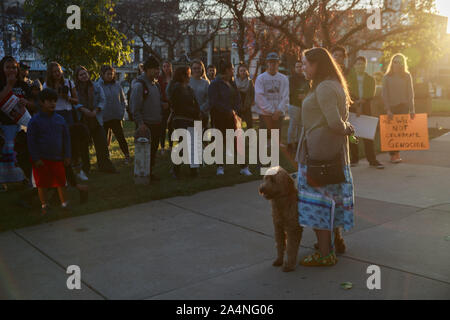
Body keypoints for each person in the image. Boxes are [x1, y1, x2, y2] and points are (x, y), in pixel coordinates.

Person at [296, 47, 355, 266]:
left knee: (318, 206)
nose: (303, 68)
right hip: (329, 155)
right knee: (328, 203)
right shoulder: (332, 85)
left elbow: (334, 123)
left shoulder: (325, 88)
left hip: (319, 158)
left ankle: (324, 254)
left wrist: (348, 128)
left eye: (306, 64)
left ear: (317, 64)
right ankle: (329, 246)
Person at [27, 88, 71, 214]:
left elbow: (66, 139)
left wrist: (67, 155)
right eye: (49, 101)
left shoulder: (60, 120)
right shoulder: (34, 121)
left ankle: (65, 204)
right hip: (42, 160)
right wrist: (36, 158)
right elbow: (31, 141)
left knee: (61, 182)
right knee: (42, 184)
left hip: (58, 158)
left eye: (54, 101)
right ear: (41, 102)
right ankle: (44, 205)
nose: (53, 104)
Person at [208, 59, 252, 176]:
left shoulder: (232, 83)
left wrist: (237, 109)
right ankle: (220, 166)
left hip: (233, 117)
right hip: (220, 117)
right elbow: (214, 101)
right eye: (232, 69)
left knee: (238, 141)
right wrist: (227, 110)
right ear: (227, 70)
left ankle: (244, 166)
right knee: (219, 142)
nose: (233, 71)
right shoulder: (215, 84)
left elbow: (237, 97)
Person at [74, 66, 117, 174]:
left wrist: (96, 110)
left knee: (102, 144)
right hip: (83, 120)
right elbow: (74, 103)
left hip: (96, 119)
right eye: (81, 74)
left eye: (85, 73)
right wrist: (83, 110)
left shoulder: (96, 86)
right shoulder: (75, 88)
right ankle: (86, 168)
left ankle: (105, 166)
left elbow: (103, 100)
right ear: (77, 77)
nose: (84, 76)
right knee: (83, 146)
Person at [347, 56, 384, 169]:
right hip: (352, 107)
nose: (360, 66)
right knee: (353, 134)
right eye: (358, 64)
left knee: (368, 135)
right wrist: (356, 102)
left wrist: (362, 101)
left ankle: (372, 160)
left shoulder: (370, 79)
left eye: (362, 64)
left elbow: (371, 93)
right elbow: (347, 91)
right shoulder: (349, 78)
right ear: (354, 66)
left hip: (366, 107)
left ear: (365, 65)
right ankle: (354, 159)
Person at [130, 55, 163, 181]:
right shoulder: (139, 85)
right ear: (147, 69)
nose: (157, 72)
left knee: (153, 151)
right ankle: (142, 174)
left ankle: (149, 172)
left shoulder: (156, 85)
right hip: (145, 124)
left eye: (158, 69)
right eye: (155, 69)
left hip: (156, 123)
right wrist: (140, 123)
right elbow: (135, 107)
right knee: (144, 151)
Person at [0, 56, 30, 186]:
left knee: (20, 153)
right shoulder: (1, 83)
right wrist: (9, 85)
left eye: (14, 67)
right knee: (6, 154)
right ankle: (5, 181)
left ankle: (21, 178)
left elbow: (35, 103)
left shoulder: (23, 84)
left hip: (21, 125)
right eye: (8, 67)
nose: (12, 70)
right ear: (2, 69)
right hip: (4, 126)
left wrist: (26, 102)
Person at [168, 66, 201, 179]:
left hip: (190, 120)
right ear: (183, 76)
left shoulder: (189, 88)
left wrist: (197, 112)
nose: (190, 76)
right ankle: (176, 169)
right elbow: (178, 105)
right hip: (181, 119)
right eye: (188, 74)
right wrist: (193, 111)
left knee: (192, 145)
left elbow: (195, 103)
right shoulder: (177, 88)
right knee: (183, 146)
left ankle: (193, 170)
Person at [382, 53, 415, 164]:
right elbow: (384, 94)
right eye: (395, 61)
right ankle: (393, 155)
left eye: (399, 62)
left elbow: (410, 93)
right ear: (392, 63)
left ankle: (397, 153)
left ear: (402, 63)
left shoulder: (407, 76)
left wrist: (412, 109)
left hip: (404, 106)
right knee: (392, 132)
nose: (397, 64)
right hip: (392, 108)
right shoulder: (386, 77)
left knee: (400, 132)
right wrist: (388, 109)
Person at [254, 52, 289, 145]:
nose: (272, 64)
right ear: (267, 63)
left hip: (278, 114)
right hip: (265, 114)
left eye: (275, 62)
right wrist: (272, 111)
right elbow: (259, 97)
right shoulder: (260, 78)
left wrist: (279, 111)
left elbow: (285, 97)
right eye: (270, 62)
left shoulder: (283, 78)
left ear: (278, 63)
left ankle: (275, 154)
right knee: (263, 139)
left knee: (276, 139)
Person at [98, 65, 130, 164]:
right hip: (104, 117)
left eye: (111, 74)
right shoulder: (98, 85)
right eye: (108, 74)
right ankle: (105, 157)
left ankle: (127, 156)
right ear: (102, 74)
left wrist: (121, 111)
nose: (110, 76)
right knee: (103, 139)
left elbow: (123, 99)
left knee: (121, 137)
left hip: (116, 116)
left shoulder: (117, 84)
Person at [288, 60, 309, 156]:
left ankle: (297, 144)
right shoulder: (292, 79)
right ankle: (289, 144)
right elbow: (293, 92)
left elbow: (309, 90)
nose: (299, 68)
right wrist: (302, 95)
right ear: (295, 68)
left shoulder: (306, 78)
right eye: (297, 66)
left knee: (301, 126)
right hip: (294, 105)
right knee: (293, 125)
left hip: (304, 105)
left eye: (301, 66)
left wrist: (304, 95)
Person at [157, 61, 173, 155]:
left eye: (168, 66)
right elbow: (158, 92)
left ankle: (170, 146)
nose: (166, 68)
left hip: (171, 105)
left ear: (171, 68)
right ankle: (162, 146)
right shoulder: (159, 79)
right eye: (164, 66)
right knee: (162, 127)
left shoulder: (173, 79)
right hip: (162, 105)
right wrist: (162, 103)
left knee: (171, 127)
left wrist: (171, 104)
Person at [189, 60, 210, 130]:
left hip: (203, 115)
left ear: (202, 69)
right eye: (194, 68)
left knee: (201, 139)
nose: (196, 70)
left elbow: (209, 99)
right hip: (190, 115)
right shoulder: (187, 81)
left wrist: (201, 110)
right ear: (191, 69)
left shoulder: (206, 83)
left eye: (198, 68)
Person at [235, 63, 255, 129]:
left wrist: (251, 102)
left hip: (247, 105)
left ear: (246, 71)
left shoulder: (250, 81)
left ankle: (250, 138)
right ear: (238, 72)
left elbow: (253, 93)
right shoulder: (234, 81)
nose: (242, 72)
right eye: (241, 71)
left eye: (244, 70)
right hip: (237, 105)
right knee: (236, 125)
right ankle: (237, 138)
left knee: (249, 125)